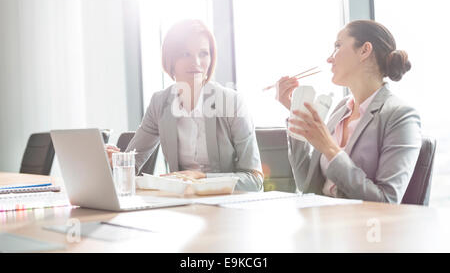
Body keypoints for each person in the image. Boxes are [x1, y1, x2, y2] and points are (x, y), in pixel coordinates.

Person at [107, 19, 263, 192]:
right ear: (170, 60)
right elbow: (131, 164)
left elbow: (254, 180)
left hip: (229, 207)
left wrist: (202, 179)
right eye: (185, 54)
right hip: (183, 205)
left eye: (203, 53)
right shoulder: (160, 103)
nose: (196, 62)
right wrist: (114, 161)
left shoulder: (231, 103)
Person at [277, 20, 421, 203]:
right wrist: (295, 114)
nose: (330, 58)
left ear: (364, 50)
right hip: (324, 223)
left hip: (362, 228)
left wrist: (330, 149)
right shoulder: (341, 109)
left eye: (337, 46)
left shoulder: (401, 116)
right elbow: (306, 184)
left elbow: (386, 201)